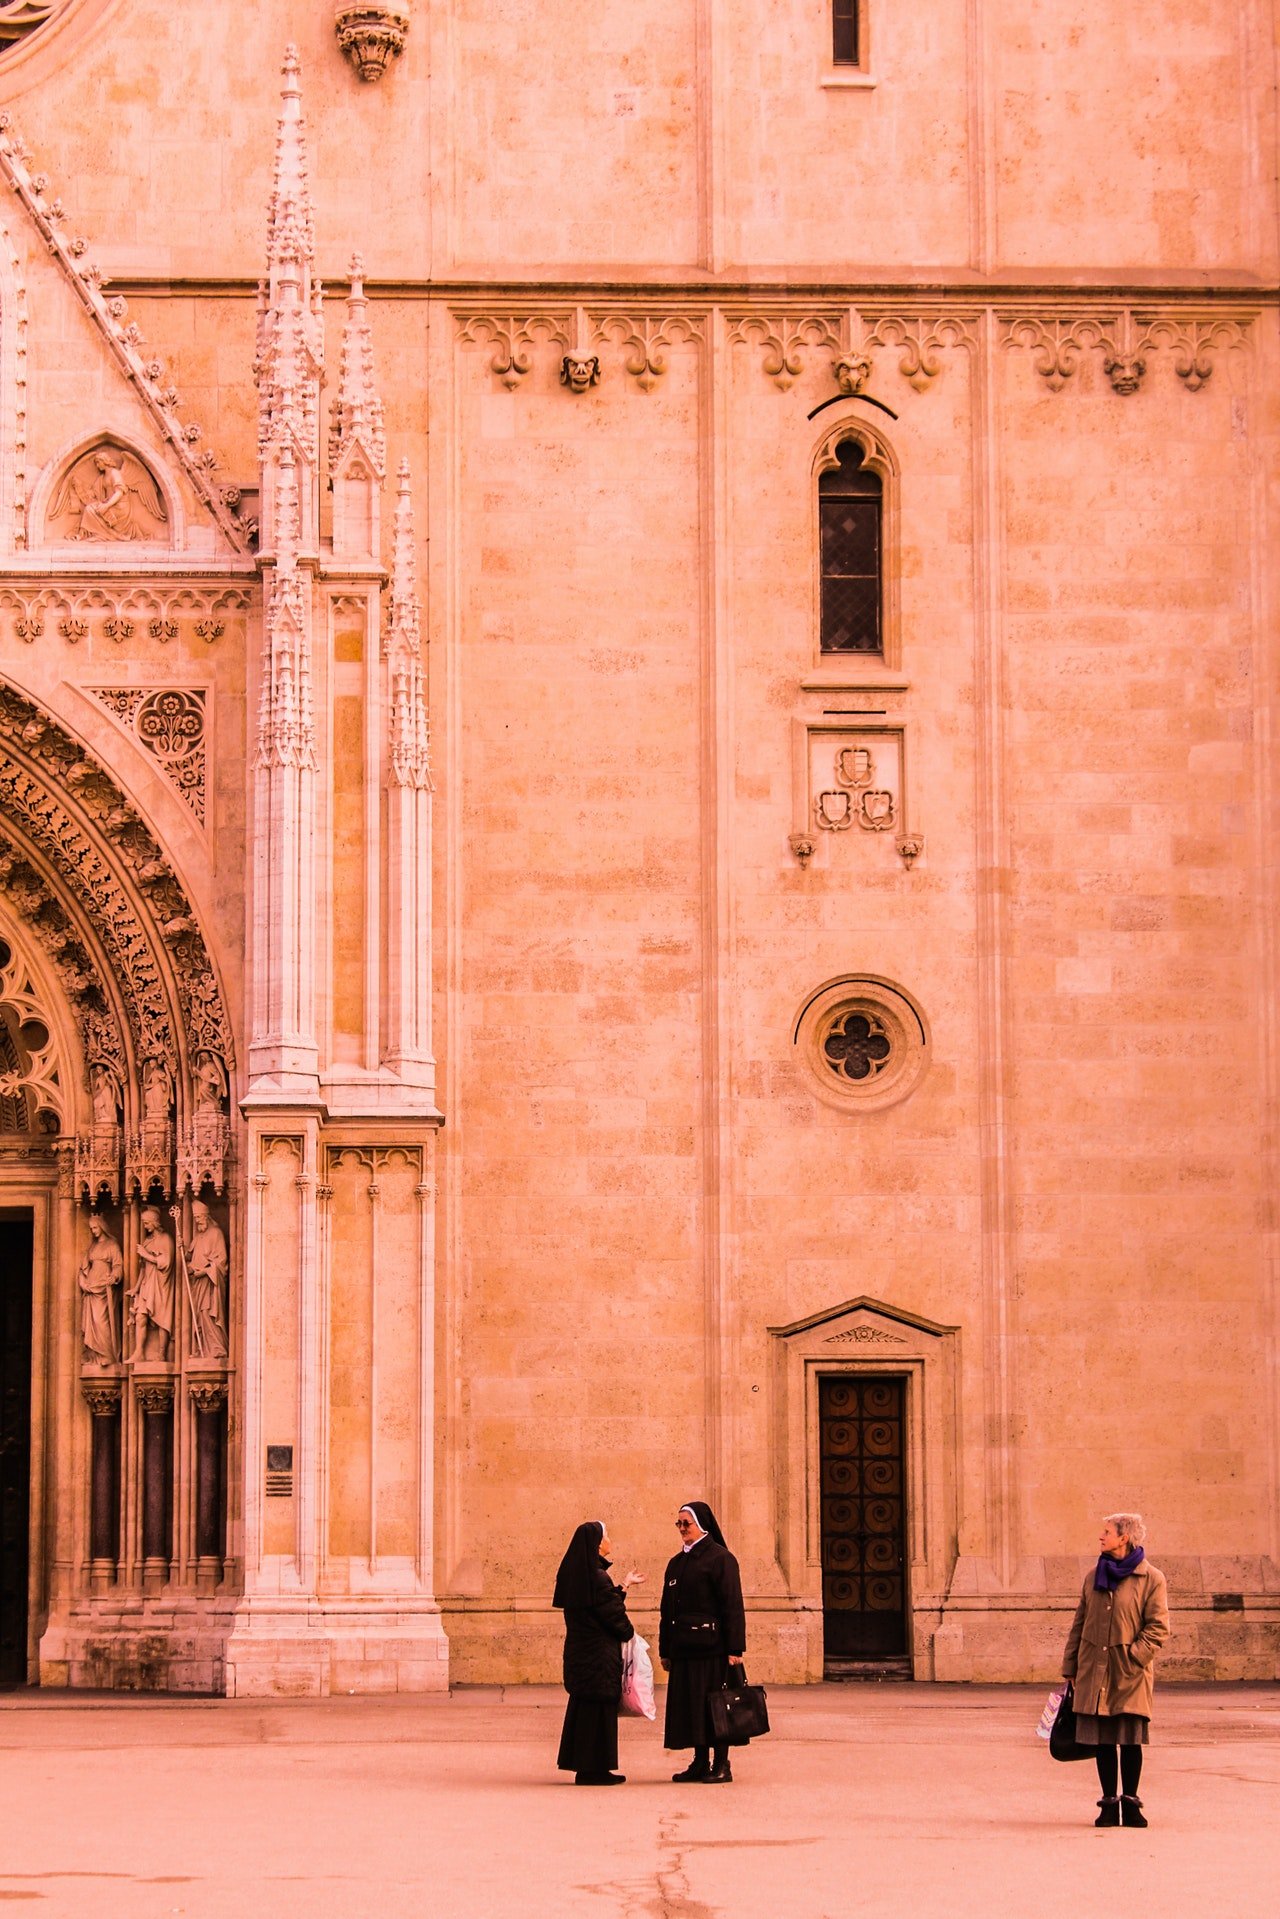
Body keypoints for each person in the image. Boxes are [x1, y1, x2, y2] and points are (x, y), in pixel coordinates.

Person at [1062, 1512, 1170, 1828]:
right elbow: (1079, 1624)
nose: (1101, 1536)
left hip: (1130, 1673)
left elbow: (1158, 1627)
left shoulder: (1152, 1579)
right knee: (1104, 1739)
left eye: (1106, 1532)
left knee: (1130, 1738)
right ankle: (1109, 1804)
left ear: (1124, 1537)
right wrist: (1070, 1665)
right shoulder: (1094, 1575)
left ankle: (1132, 1804)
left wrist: (1134, 1657)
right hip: (1094, 1670)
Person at [659, 1501, 746, 1784]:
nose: (682, 1529)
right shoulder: (676, 1562)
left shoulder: (721, 1559)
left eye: (687, 1523)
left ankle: (722, 1763)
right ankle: (699, 1761)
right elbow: (667, 1609)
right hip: (684, 1649)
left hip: (713, 1649)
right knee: (692, 1706)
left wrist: (735, 1648)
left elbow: (732, 1605)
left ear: (702, 1525)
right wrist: (665, 1649)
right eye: (679, 1524)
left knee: (716, 1707)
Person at [552, 1520, 643, 1786]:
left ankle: (585, 1767)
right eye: (607, 1536)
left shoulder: (580, 1576)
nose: (610, 1540)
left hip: (581, 1655)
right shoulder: (598, 1577)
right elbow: (614, 1617)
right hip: (600, 1657)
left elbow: (600, 1605)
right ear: (597, 1543)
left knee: (584, 1711)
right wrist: (629, 1632)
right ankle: (596, 1770)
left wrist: (623, 1586)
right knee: (599, 1713)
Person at [183, 1199, 228, 1360]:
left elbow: (221, 1260)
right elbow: (191, 1256)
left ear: (206, 1217)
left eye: (199, 1219)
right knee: (200, 1315)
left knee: (208, 1313)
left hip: (210, 1283)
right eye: (195, 1219)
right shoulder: (199, 1236)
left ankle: (216, 1348)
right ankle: (200, 1346)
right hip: (198, 1283)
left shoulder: (216, 1233)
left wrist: (204, 1272)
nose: (197, 1222)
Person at [77, 1215, 123, 1367]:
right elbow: (83, 1268)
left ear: (102, 1227)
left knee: (101, 1321)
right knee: (91, 1323)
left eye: (95, 1228)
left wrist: (114, 1276)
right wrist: (83, 1281)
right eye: (91, 1229)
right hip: (91, 1288)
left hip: (104, 1288)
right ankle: (93, 1355)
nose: (93, 1231)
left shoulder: (112, 1245)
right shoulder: (93, 1247)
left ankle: (107, 1354)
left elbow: (118, 1265)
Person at [130, 1206, 174, 1362]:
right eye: (143, 1222)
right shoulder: (147, 1242)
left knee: (162, 1318)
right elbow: (143, 1268)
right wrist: (135, 1288)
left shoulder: (165, 1239)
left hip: (161, 1284)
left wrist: (146, 1255)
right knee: (140, 1317)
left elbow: (166, 1262)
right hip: (147, 1283)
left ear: (155, 1222)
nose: (144, 1226)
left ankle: (162, 1354)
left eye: (146, 1223)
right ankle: (139, 1352)